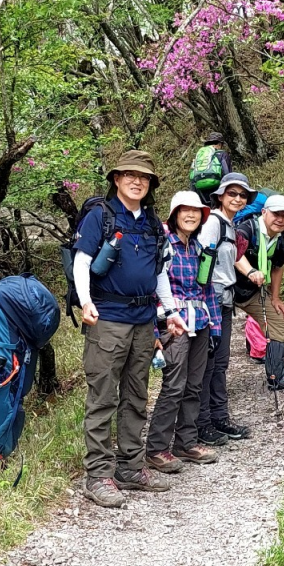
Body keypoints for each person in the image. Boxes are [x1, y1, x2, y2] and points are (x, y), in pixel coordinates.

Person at [73, 149, 187, 508]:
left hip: (142, 322)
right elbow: (82, 262)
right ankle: (98, 474)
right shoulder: (99, 216)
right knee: (103, 398)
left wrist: (169, 311)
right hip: (107, 319)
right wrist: (85, 301)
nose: (137, 181)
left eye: (144, 177)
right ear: (117, 179)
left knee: (137, 397)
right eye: (129, 175)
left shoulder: (153, 222)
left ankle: (130, 467)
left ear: (150, 184)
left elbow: (159, 273)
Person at [145, 191, 222, 472]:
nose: (190, 215)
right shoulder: (165, 246)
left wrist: (215, 325)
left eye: (196, 211)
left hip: (200, 321)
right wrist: (156, 329)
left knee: (194, 385)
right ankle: (156, 448)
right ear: (175, 214)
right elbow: (153, 287)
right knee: (174, 385)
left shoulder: (199, 248)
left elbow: (208, 289)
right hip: (173, 323)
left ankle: (186, 442)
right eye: (184, 210)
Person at [196, 172, 256, 445]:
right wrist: (203, 299)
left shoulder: (230, 226)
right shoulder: (212, 223)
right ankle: (203, 422)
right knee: (208, 363)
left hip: (225, 301)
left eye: (242, 195)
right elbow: (202, 263)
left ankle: (220, 417)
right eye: (232, 193)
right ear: (220, 196)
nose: (238, 198)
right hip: (211, 301)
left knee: (220, 363)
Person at [234, 194, 284, 391]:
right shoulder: (247, 229)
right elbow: (235, 253)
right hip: (228, 289)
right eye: (275, 214)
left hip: (254, 291)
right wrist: (250, 271)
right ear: (264, 212)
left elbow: (278, 267)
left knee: (278, 318)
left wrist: (276, 298)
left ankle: (276, 376)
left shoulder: (283, 238)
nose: (280, 219)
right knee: (215, 337)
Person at [189, 131, 232, 204]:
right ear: (219, 144)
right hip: (217, 188)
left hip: (200, 189)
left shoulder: (200, 155)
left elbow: (192, 175)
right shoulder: (222, 154)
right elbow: (227, 174)